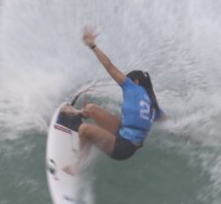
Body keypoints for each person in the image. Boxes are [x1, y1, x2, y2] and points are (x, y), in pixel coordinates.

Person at [61, 26, 166, 175]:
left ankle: (79, 166)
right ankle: (77, 114)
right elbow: (169, 123)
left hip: (123, 148)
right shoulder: (152, 104)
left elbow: (109, 66)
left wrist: (92, 45)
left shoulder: (131, 86)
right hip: (123, 132)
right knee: (91, 108)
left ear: (135, 81)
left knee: (84, 129)